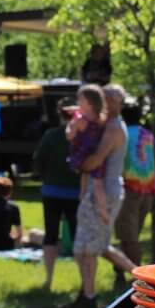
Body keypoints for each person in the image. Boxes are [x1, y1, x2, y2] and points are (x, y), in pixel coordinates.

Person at [59, 84, 136, 308]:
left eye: (108, 97)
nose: (104, 101)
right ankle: (90, 293)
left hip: (106, 191)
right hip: (97, 189)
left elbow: (95, 161)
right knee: (91, 246)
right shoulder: (105, 124)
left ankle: (89, 298)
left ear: (116, 102)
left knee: (91, 248)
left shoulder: (113, 129)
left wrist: (76, 162)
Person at [33, 98, 81, 289]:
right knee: (78, 237)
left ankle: (49, 279)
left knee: (50, 235)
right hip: (76, 194)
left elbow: (38, 161)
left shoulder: (50, 135)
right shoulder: (83, 136)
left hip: (52, 192)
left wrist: (47, 177)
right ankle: (84, 280)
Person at [116, 100, 155, 273]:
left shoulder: (122, 134)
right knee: (132, 233)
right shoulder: (148, 134)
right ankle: (119, 269)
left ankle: (136, 275)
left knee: (128, 236)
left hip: (129, 187)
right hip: (148, 188)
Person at [66, 84, 108, 225]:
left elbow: (69, 136)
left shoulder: (79, 121)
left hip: (81, 156)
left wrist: (70, 125)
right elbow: (89, 112)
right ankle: (103, 209)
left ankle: (82, 197)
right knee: (98, 184)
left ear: (89, 103)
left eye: (80, 100)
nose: (78, 102)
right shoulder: (101, 118)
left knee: (84, 176)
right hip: (96, 155)